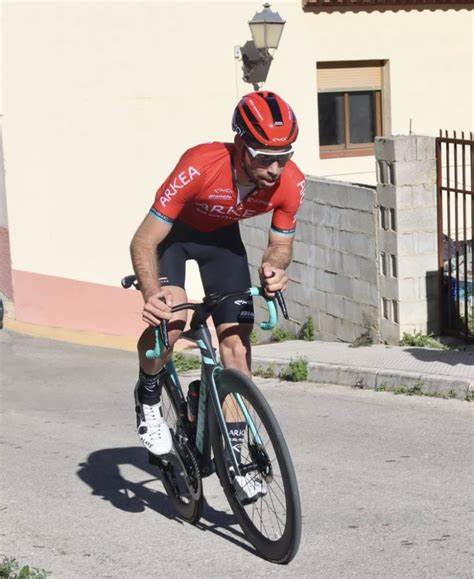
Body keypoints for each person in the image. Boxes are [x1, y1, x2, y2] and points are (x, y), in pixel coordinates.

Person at [129, 91, 305, 498]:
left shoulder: (290, 182)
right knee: (171, 321)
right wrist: (151, 292)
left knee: (237, 348)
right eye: (264, 156)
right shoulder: (200, 164)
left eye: (285, 156)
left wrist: (276, 266)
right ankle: (148, 396)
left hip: (222, 243)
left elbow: (281, 244)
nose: (275, 168)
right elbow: (143, 240)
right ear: (240, 144)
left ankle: (238, 454)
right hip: (172, 237)